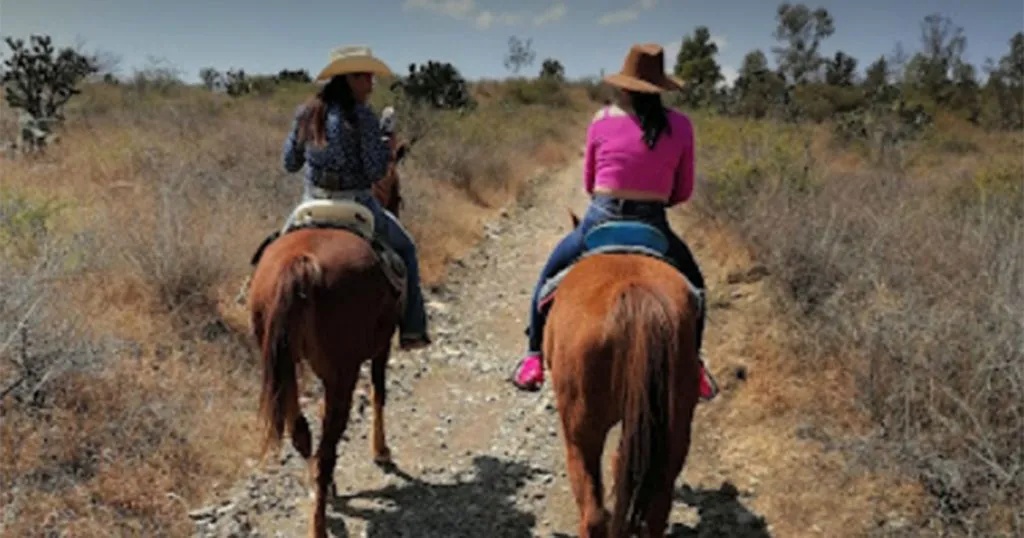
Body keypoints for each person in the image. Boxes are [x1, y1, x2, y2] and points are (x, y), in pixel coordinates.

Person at [511, 43, 718, 401]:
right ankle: (694, 365)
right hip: (654, 224)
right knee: (696, 290)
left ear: (624, 86)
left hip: (601, 218)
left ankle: (532, 357)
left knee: (547, 278)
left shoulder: (602, 120)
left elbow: (590, 184)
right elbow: (682, 191)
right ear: (661, 88)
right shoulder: (682, 126)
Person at [281, 45, 430, 351]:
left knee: (272, 250)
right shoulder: (362, 116)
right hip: (357, 204)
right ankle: (413, 328)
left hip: (311, 202)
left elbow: (290, 163)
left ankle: (250, 295)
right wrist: (386, 149)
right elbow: (376, 172)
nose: (371, 83)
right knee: (407, 249)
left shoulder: (306, 113)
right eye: (365, 76)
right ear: (348, 78)